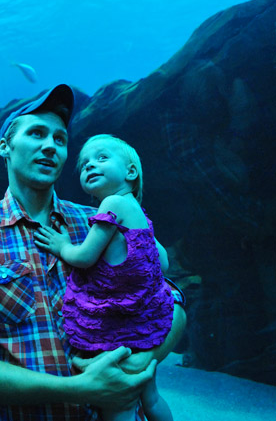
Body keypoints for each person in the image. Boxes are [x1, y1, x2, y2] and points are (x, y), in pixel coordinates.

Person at [0, 84, 186, 421]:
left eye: (60, 139)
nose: (50, 146)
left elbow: (173, 302)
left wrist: (144, 359)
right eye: (37, 133)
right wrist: (81, 389)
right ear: (4, 146)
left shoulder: (98, 223)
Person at [34, 134, 179, 421]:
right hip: (143, 328)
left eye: (101, 158)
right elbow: (162, 264)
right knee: (151, 398)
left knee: (119, 405)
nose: (89, 166)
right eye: (84, 163)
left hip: (115, 331)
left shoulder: (112, 203)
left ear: (131, 172)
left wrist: (62, 245)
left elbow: (84, 257)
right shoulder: (141, 215)